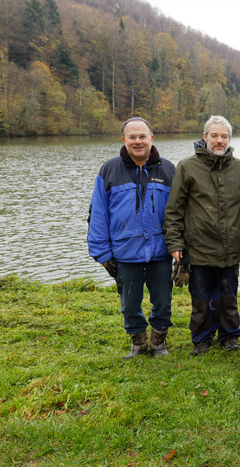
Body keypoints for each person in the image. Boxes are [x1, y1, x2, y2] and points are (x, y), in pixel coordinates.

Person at [87, 117, 175, 359]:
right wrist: (102, 254)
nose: (138, 141)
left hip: (160, 252)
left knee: (163, 301)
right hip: (124, 253)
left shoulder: (168, 170)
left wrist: (180, 249)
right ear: (123, 139)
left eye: (142, 136)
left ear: (151, 139)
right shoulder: (109, 170)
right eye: (132, 137)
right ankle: (138, 343)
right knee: (129, 303)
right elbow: (98, 214)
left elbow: (179, 214)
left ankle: (159, 343)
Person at [164, 115, 240, 355]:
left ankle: (230, 336)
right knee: (200, 298)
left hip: (229, 247)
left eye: (224, 136)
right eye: (214, 135)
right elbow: (174, 209)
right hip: (197, 247)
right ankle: (201, 338)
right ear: (205, 137)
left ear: (229, 139)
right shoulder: (186, 166)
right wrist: (175, 242)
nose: (219, 140)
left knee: (228, 296)